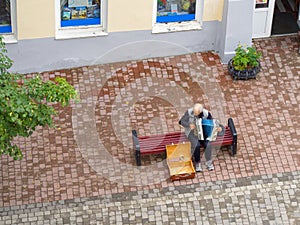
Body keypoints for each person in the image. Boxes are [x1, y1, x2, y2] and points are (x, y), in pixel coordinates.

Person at [179, 103, 214, 172]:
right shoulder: (189, 112)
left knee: (208, 145)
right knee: (196, 145)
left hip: (204, 133)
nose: (194, 114)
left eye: (196, 113)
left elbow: (211, 123)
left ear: (200, 112)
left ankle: (209, 162)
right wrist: (189, 125)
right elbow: (181, 121)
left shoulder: (206, 114)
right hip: (192, 133)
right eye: (194, 112)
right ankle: (198, 163)